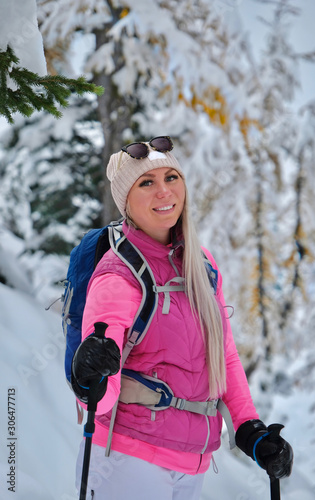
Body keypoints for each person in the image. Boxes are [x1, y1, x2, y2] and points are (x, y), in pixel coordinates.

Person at [72, 136, 293, 499]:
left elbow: (225, 357)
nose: (164, 192)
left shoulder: (201, 266)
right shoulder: (118, 275)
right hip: (127, 460)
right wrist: (90, 377)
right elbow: (99, 398)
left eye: (171, 177)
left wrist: (250, 430)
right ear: (126, 201)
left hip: (191, 464)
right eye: (147, 183)